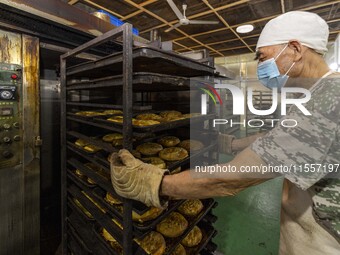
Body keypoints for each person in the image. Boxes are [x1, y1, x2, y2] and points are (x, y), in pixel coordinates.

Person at [109, 11, 340, 255]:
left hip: (324, 237)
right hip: (306, 219)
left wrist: (153, 183)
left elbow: (229, 179)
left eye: (263, 57)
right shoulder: (318, 92)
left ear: (295, 49)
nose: (260, 66)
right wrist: (232, 144)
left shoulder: (327, 101)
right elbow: (281, 138)